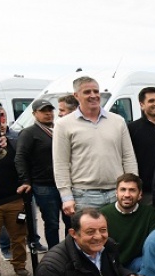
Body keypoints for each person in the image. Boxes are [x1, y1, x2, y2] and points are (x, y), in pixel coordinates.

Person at [53, 76, 138, 214]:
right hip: (83, 196)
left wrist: (133, 187)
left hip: (117, 193)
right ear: (76, 96)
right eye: (87, 92)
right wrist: (66, 196)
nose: (93, 95)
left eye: (96, 91)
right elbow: (60, 163)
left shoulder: (118, 121)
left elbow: (128, 157)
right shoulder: (63, 125)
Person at [15, 98, 71, 250]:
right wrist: (25, 180)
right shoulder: (29, 133)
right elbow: (20, 157)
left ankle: (69, 251)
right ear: (34, 114)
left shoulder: (59, 129)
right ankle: (55, 253)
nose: (48, 114)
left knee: (71, 221)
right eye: (43, 111)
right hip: (44, 185)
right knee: (52, 223)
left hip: (64, 183)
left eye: (50, 110)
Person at [0, 105, 30, 276]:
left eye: (1, 118)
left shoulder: (16, 139)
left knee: (19, 237)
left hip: (15, 198)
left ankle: (20, 266)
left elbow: (25, 163)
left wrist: (26, 183)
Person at [100, 174, 155, 272]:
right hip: (111, 264)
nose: (127, 195)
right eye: (123, 190)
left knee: (148, 262)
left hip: (137, 264)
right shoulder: (103, 214)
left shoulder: (150, 213)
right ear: (116, 193)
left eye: (132, 190)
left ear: (140, 194)